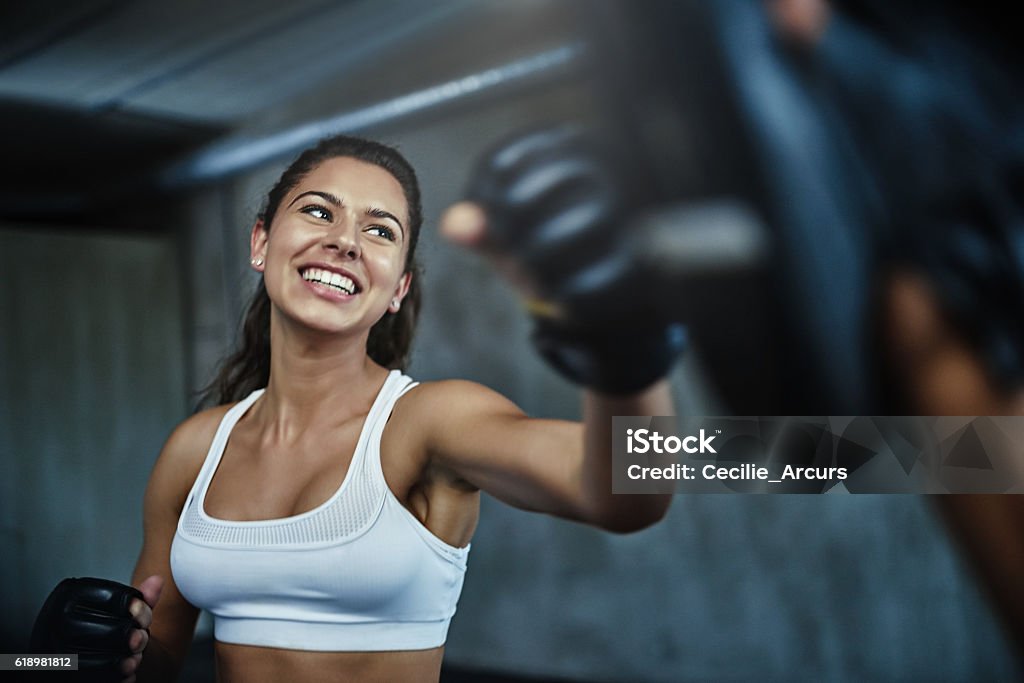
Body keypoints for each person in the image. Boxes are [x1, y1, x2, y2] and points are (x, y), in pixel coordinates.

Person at [31, 133, 680, 683]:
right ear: (261, 243)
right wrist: (59, 661)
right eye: (319, 211)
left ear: (396, 287)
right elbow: (154, 661)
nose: (345, 241)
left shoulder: (427, 421)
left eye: (379, 229)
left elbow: (627, 488)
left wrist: (621, 340)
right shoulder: (195, 448)